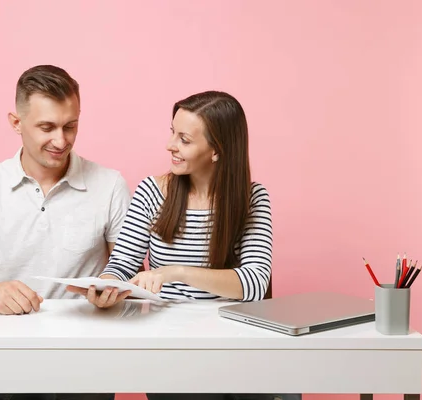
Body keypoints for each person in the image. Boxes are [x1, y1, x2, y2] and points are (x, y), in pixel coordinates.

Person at [68, 91, 301, 400]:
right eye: (172, 133)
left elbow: (255, 282)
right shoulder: (152, 192)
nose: (170, 146)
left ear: (216, 151)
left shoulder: (253, 198)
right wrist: (107, 285)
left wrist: (174, 272)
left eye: (185, 140)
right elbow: (122, 264)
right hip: (175, 344)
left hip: (239, 341)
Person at [0, 65, 130, 400]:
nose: (61, 140)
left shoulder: (110, 185)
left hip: (83, 357)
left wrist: (115, 292)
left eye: (70, 126)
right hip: (1, 351)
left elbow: (131, 274)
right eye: (46, 127)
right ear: (16, 123)